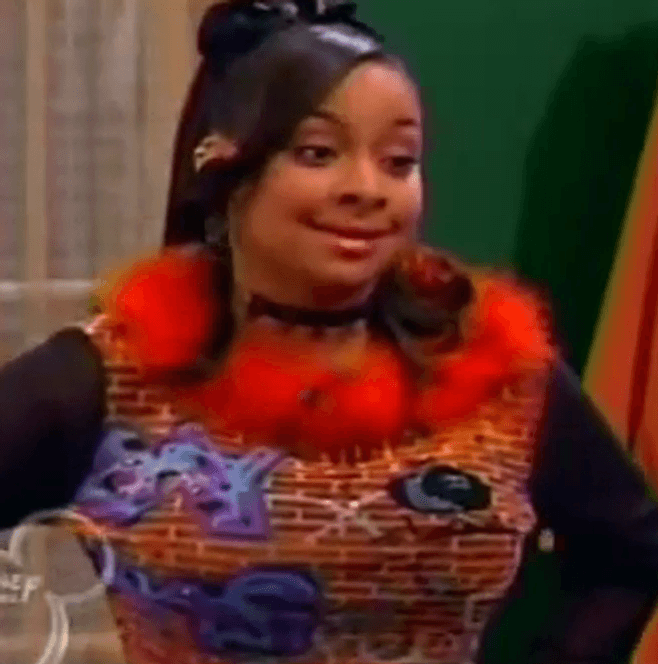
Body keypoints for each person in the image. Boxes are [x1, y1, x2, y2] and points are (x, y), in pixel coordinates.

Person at [1, 2, 658, 663]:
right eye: (318, 153)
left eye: (398, 160)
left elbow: (633, 554)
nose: (367, 189)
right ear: (226, 170)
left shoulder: (493, 371)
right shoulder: (117, 376)